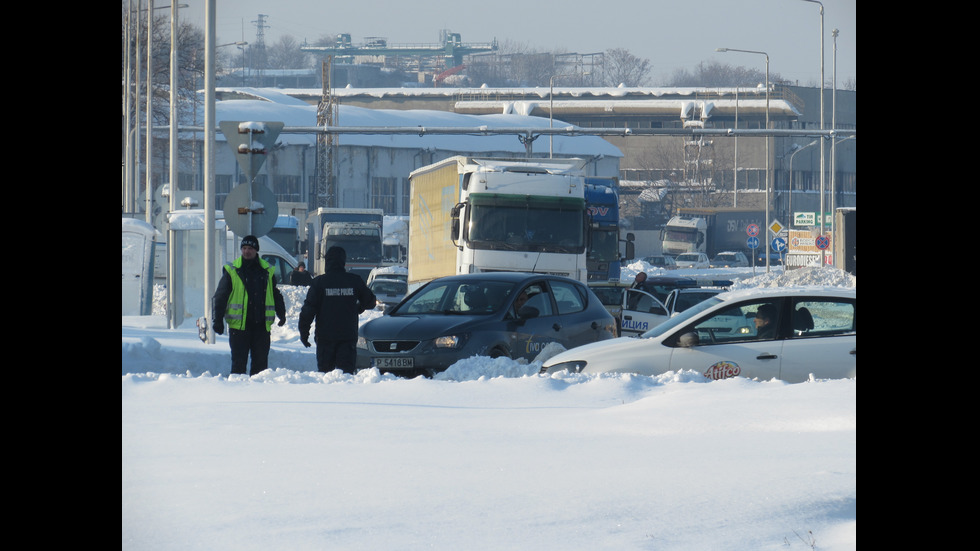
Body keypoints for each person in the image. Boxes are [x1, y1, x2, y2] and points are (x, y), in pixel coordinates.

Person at [211, 235, 287, 376]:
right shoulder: (232, 270)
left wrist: (281, 312)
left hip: (261, 328)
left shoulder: (267, 270)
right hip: (239, 328)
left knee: (260, 369)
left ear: (256, 250)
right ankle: (238, 395)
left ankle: (259, 396)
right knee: (238, 366)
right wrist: (217, 320)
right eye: (244, 248)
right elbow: (220, 297)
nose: (247, 251)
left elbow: (275, 293)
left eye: (250, 248)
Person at [298, 246, 376, 373]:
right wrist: (357, 308)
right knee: (346, 377)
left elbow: (308, 310)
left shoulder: (319, 283)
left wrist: (304, 333)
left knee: (326, 375)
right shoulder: (354, 281)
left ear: (327, 261)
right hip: (347, 337)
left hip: (325, 338)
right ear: (343, 262)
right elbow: (370, 302)